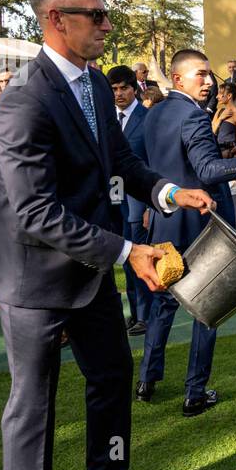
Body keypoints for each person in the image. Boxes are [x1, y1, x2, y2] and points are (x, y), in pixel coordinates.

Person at [0, 0, 215, 470]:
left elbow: (125, 164)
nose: (107, 23)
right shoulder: (22, 100)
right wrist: (125, 251)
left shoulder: (91, 86)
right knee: (33, 402)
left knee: (112, 376)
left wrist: (170, 191)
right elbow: (33, 212)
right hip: (34, 278)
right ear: (56, 19)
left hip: (90, 271)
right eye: (96, 14)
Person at [136, 48, 236, 414]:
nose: (208, 81)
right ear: (178, 79)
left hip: (162, 218)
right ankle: (195, 392)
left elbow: (142, 167)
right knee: (208, 306)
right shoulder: (193, 117)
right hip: (197, 224)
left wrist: (149, 207)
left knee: (163, 303)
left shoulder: (152, 115)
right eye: (199, 75)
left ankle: (146, 380)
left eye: (209, 74)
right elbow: (206, 171)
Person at [106, 65, 149, 336]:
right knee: (125, 259)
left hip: (139, 201)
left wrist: (148, 207)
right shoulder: (106, 118)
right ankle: (134, 313)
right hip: (113, 199)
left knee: (140, 257)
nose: (119, 94)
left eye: (124, 88)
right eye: (114, 90)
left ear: (134, 89)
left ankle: (145, 315)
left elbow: (152, 163)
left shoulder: (148, 118)